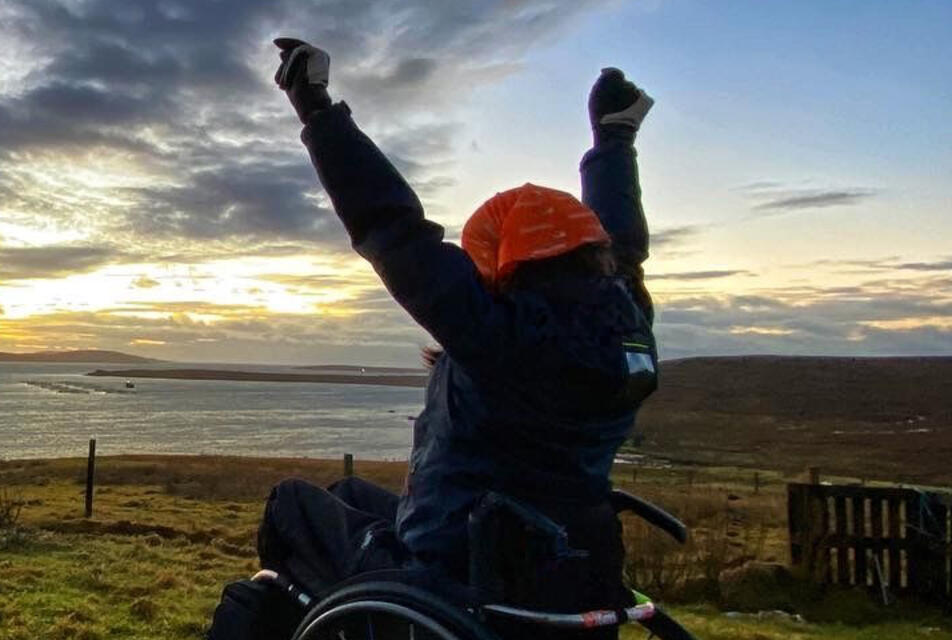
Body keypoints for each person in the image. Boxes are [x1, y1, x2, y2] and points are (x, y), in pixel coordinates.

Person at [209, 39, 662, 640]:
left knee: (291, 507)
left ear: (500, 265)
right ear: (590, 250)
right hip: (554, 567)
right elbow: (624, 245)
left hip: (455, 572)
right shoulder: (628, 322)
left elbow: (390, 227)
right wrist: (613, 142)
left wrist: (315, 108)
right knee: (346, 491)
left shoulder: (501, 336)